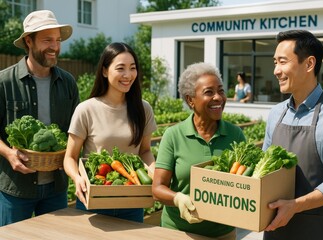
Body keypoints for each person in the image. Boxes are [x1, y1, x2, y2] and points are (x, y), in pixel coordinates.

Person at [262, 29, 323, 240]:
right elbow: (264, 169)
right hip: (274, 229)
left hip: (316, 230)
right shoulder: (276, 113)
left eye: (282, 62)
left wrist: (294, 206)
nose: (276, 70)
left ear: (309, 64)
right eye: (274, 62)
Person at [0, 10, 79, 226]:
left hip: (56, 189)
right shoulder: (4, 82)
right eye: (47, 40)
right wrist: (9, 153)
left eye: (57, 40)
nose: (54, 46)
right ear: (29, 41)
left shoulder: (68, 83)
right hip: (15, 188)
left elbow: (76, 131)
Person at [63, 42, 157, 223]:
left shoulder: (143, 109)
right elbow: (70, 157)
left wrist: (154, 173)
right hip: (94, 198)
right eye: (120, 68)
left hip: (132, 200)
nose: (128, 75)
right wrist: (77, 178)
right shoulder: (86, 109)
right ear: (105, 71)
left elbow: (145, 151)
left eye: (132, 68)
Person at [152, 62, 246, 239]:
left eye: (221, 90)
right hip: (179, 232)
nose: (218, 97)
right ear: (190, 100)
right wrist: (177, 198)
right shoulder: (174, 135)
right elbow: (157, 189)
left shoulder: (235, 134)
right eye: (209, 92)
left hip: (223, 234)